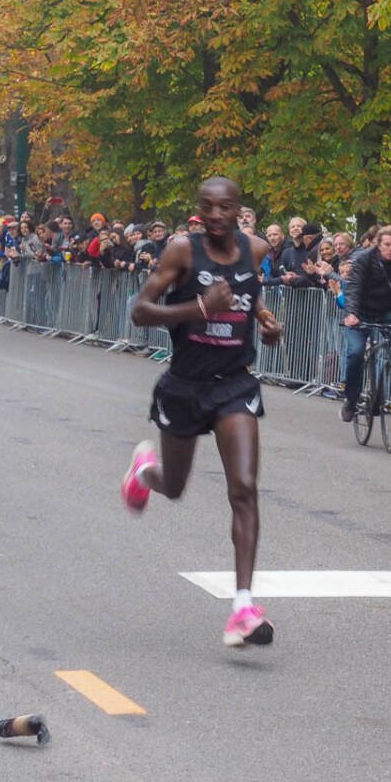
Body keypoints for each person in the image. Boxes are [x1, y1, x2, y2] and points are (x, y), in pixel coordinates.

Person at [120, 177, 285, 645]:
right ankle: (144, 472)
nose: (215, 215)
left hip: (234, 384)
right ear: (199, 210)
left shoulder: (255, 250)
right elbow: (140, 311)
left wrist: (265, 322)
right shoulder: (181, 252)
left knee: (245, 488)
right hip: (184, 387)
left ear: (238, 211)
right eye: (207, 207)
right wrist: (197, 307)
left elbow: (250, 297)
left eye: (225, 207)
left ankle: (243, 608)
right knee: (174, 487)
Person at [339, 226, 391, 422]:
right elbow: (353, 288)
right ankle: (351, 399)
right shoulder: (364, 259)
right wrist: (351, 314)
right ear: (378, 244)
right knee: (356, 352)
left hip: (387, 312)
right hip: (361, 312)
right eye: (387, 245)